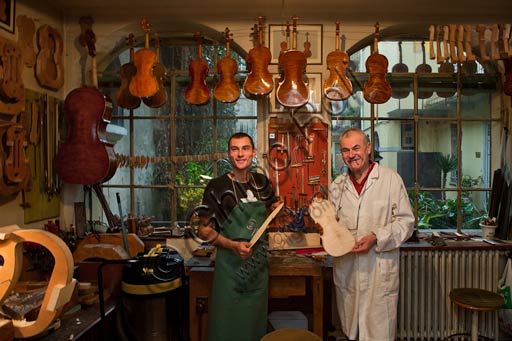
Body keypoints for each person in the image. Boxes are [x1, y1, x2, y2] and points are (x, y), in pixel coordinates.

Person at [329, 128, 415, 341]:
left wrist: (376, 236)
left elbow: (406, 222)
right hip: (347, 270)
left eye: (356, 148)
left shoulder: (390, 180)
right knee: (351, 332)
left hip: (379, 269)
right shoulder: (337, 186)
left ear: (368, 149)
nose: (351, 154)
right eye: (346, 150)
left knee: (379, 334)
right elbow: (333, 226)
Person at [197, 132, 278, 341]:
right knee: (227, 326)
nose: (240, 154)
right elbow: (203, 230)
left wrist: (278, 209)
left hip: (257, 268)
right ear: (229, 154)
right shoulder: (217, 187)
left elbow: (270, 213)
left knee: (254, 326)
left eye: (245, 148)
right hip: (229, 268)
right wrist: (232, 245)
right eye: (235, 149)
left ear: (253, 153)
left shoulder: (263, 183)